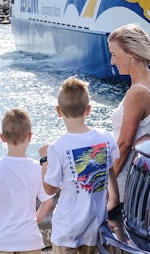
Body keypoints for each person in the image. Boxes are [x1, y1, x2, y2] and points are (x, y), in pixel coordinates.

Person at [43, 76, 119, 254]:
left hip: (67, 228)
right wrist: (114, 201)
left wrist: (43, 160)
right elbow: (110, 170)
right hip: (94, 224)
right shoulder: (105, 138)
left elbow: (49, 189)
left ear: (58, 111)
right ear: (89, 109)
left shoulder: (57, 147)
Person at [107, 24, 150, 211]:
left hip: (122, 179)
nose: (112, 61)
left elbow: (125, 144)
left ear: (131, 53)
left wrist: (107, 185)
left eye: (115, 54)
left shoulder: (137, 92)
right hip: (138, 174)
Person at [0, 108, 54, 253]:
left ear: (2, 137)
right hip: (29, 239)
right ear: (29, 136)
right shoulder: (36, 168)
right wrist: (35, 221)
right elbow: (48, 201)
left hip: (2, 240)